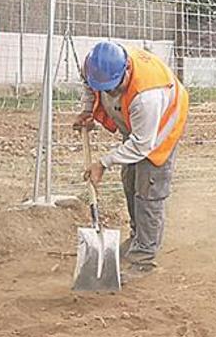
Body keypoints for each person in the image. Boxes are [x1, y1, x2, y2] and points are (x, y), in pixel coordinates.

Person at [73, 41, 189, 278]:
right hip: (134, 122)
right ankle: (138, 237)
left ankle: (144, 257)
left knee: (148, 187)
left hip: (160, 126)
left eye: (114, 87)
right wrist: (87, 110)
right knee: (130, 180)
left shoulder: (147, 96)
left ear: (126, 70)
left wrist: (103, 163)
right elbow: (88, 85)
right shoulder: (93, 67)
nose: (110, 92)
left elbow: (142, 144)